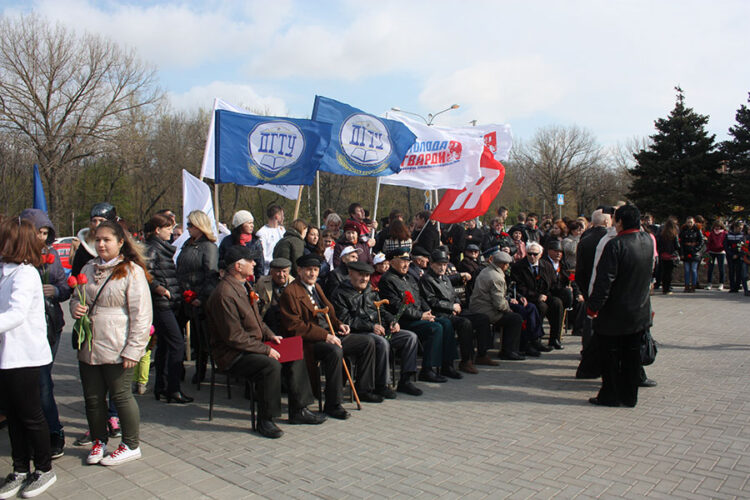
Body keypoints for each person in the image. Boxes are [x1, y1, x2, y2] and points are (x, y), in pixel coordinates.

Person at [206, 247, 326, 438]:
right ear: (238, 266)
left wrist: (271, 335)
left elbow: (257, 321)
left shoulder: (244, 285)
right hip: (232, 354)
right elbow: (234, 337)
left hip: (250, 346)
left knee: (295, 350)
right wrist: (265, 349)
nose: (254, 263)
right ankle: (265, 420)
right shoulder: (224, 294)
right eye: (250, 261)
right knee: (270, 365)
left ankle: (299, 409)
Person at [70, 221, 152, 466]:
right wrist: (75, 307)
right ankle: (99, 440)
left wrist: (134, 350)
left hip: (117, 344)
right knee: (93, 398)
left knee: (121, 395)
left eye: (107, 240)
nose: (101, 244)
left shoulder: (131, 271)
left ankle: (131, 444)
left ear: (120, 242)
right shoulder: (88, 267)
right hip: (89, 344)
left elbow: (142, 314)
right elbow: (76, 297)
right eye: (98, 239)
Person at [279, 254, 381, 421]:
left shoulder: (316, 287)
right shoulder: (291, 292)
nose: (313, 273)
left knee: (367, 342)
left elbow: (328, 312)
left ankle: (364, 389)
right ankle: (333, 403)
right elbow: (295, 327)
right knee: (334, 351)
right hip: (309, 341)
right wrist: (325, 335)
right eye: (309, 270)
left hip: (329, 333)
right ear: (299, 271)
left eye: (315, 270)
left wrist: (339, 324)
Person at [0, 218, 57, 498]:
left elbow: (16, 314)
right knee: (13, 416)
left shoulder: (25, 273)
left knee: (30, 415)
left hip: (24, 356)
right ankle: (20, 468)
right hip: (6, 356)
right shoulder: (5, 271)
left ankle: (44, 469)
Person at [587, 204, 653, 407]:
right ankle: (629, 396)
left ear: (621, 222)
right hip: (639, 310)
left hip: (615, 313)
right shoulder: (647, 240)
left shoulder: (615, 245)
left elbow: (604, 281)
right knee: (632, 357)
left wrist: (593, 307)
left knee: (611, 357)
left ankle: (611, 395)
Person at [19, 208, 71, 459]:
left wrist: (56, 290)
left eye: (44, 232)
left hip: (49, 324)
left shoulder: (51, 255)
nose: (41, 237)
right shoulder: (14, 256)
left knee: (42, 382)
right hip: (21, 328)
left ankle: (53, 430)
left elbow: (65, 287)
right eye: (37, 232)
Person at [331, 261, 422, 396]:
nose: (365, 279)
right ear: (350, 274)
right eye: (361, 275)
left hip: (380, 329)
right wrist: (371, 326)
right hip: (361, 333)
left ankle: (406, 380)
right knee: (381, 342)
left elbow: (382, 310)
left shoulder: (370, 290)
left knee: (410, 337)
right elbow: (345, 320)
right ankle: (382, 384)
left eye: (367, 275)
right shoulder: (340, 294)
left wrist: (392, 320)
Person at [378, 248, 461, 382]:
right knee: (435, 328)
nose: (406, 264)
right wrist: (420, 316)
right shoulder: (387, 280)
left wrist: (428, 312)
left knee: (446, 323)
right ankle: (427, 369)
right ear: (392, 262)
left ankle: (447, 365)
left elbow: (420, 298)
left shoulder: (409, 278)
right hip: (400, 321)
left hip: (417, 316)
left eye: (408, 261)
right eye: (403, 261)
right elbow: (397, 306)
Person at [144, 214, 192, 404]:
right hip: (161, 303)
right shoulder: (152, 249)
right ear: (158, 230)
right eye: (168, 228)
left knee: (164, 344)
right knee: (177, 343)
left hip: (168, 303)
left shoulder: (161, 248)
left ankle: (161, 387)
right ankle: (173, 388)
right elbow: (146, 274)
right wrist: (161, 289)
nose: (171, 232)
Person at [419, 249, 488, 374]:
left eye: (445, 264)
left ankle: (482, 354)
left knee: (482, 318)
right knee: (465, 323)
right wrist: (451, 307)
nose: (442, 267)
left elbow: (453, 294)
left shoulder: (445, 278)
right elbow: (432, 301)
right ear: (432, 264)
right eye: (439, 264)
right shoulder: (427, 279)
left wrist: (456, 304)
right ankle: (466, 361)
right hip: (440, 313)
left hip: (453, 310)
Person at [176, 210, 219, 384]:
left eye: (190, 225)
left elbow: (211, 275)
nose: (188, 228)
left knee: (200, 338)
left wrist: (201, 297)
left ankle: (200, 371)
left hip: (199, 298)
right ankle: (177, 369)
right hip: (183, 296)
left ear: (199, 226)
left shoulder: (209, 247)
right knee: (177, 335)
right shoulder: (187, 245)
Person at [469, 251, 529, 361]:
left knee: (512, 316)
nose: (508, 266)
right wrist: (508, 309)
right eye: (507, 264)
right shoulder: (497, 277)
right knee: (515, 319)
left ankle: (509, 349)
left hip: (478, 305)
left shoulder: (486, 270)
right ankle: (509, 351)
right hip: (485, 309)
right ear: (503, 265)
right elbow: (499, 303)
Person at [511, 241, 565, 350]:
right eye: (529, 253)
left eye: (535, 254)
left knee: (557, 303)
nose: (532, 256)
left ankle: (555, 338)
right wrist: (537, 296)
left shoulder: (546, 265)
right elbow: (520, 287)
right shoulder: (519, 266)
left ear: (540, 255)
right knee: (541, 306)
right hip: (529, 297)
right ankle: (536, 338)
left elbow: (554, 283)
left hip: (545, 294)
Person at [71, 202, 118, 275]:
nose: (97, 224)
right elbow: (76, 273)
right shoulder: (84, 248)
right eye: (94, 221)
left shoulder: (123, 247)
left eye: (101, 221)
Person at [218, 210, 263, 281]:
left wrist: (259, 281)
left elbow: (260, 265)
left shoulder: (255, 242)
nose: (252, 225)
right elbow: (221, 260)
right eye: (249, 223)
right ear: (240, 225)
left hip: (250, 280)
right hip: (231, 279)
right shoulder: (227, 241)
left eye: (252, 223)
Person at [254, 258, 294, 333]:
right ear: (271, 272)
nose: (281, 275)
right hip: (268, 322)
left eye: (284, 271)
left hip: (288, 322)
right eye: (278, 271)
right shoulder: (262, 282)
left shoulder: (295, 284)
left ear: (289, 272)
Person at [255, 205, 286, 275]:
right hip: (268, 272)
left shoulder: (282, 230)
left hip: (282, 270)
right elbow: (262, 256)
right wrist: (275, 263)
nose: (283, 218)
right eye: (282, 215)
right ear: (277, 216)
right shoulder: (262, 233)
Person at [679, 216, 704, 293]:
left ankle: (693, 286)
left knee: (693, 269)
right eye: (688, 222)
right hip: (686, 251)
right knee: (686, 270)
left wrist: (696, 249)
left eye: (691, 222)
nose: (689, 224)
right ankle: (686, 286)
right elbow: (681, 242)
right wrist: (681, 253)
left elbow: (701, 241)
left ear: (694, 222)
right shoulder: (683, 230)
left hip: (694, 252)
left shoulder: (697, 230)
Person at [656, 218, 680, 295]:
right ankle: (668, 288)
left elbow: (658, 243)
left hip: (663, 255)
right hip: (671, 255)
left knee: (664, 272)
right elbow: (677, 245)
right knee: (669, 273)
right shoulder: (674, 234)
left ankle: (664, 288)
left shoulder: (662, 233)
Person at [725, 221, 746, 294]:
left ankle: (737, 286)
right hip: (730, 255)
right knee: (731, 271)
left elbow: (743, 246)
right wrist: (731, 254)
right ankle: (732, 287)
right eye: (739, 228)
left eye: (741, 228)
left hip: (739, 255)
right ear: (735, 227)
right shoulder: (728, 235)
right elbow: (726, 246)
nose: (740, 230)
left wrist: (738, 254)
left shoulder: (742, 235)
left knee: (738, 271)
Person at [705, 221, 727, 290]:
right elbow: (709, 242)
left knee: (721, 268)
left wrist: (723, 248)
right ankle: (709, 283)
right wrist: (708, 250)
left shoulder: (724, 233)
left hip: (721, 252)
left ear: (721, 226)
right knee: (710, 268)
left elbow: (725, 242)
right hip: (712, 252)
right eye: (716, 226)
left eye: (719, 226)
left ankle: (721, 283)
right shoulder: (712, 233)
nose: (717, 228)